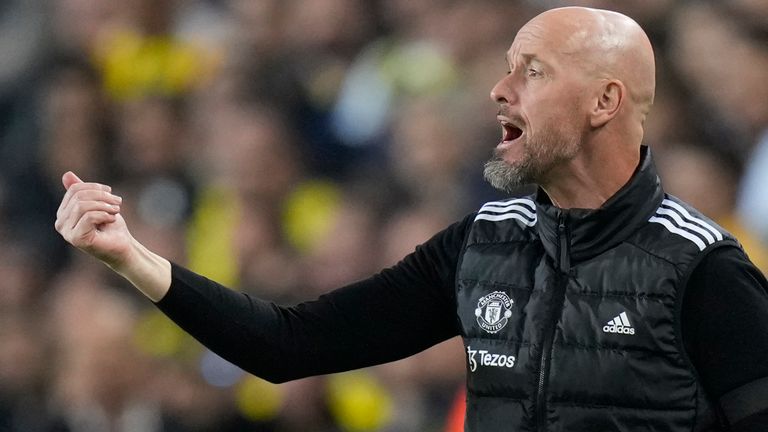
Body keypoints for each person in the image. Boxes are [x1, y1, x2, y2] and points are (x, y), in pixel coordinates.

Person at [54, 6, 768, 431]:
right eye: (506, 68)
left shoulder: (704, 270)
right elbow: (288, 345)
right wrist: (130, 257)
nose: (499, 89)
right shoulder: (482, 245)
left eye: (533, 72)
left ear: (605, 102)